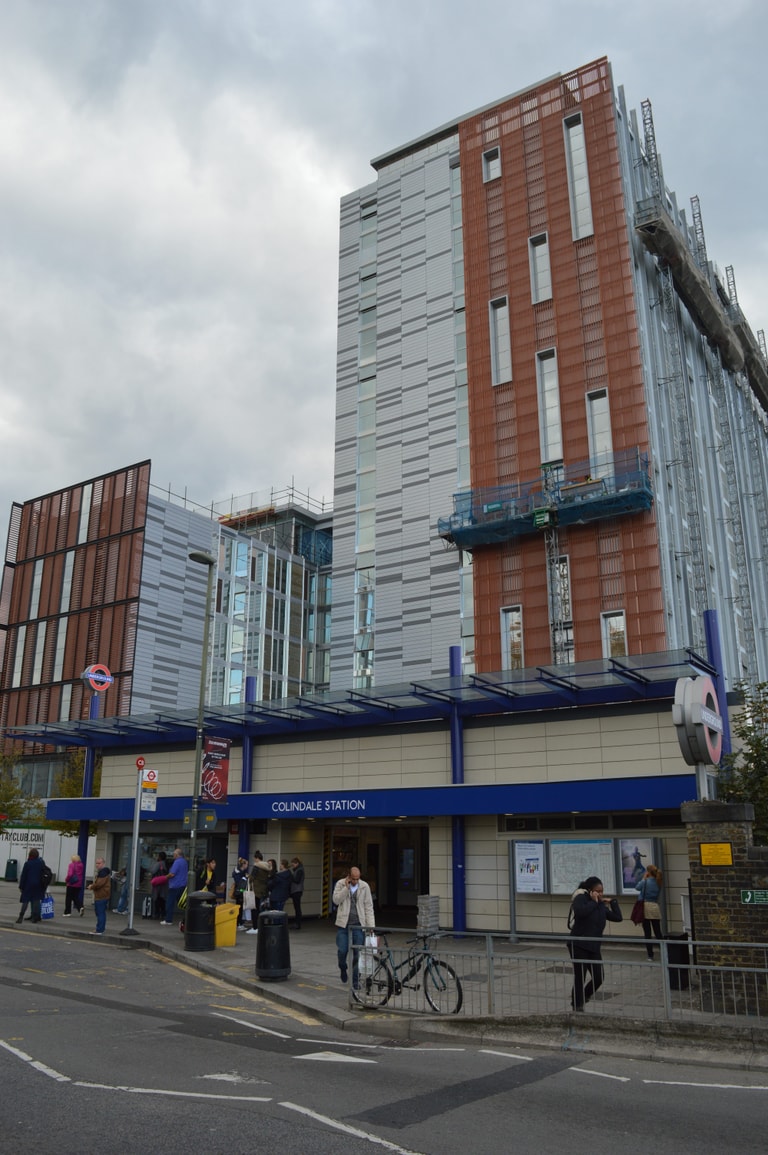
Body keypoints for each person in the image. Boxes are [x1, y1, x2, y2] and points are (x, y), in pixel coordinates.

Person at [568, 875, 622, 1011]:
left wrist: (613, 902)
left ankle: (583, 996)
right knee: (580, 976)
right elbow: (580, 912)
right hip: (578, 943)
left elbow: (617, 918)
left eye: (602, 891)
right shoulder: (581, 898)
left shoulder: (600, 905)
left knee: (598, 977)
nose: (600, 894)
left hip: (593, 946)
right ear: (590, 890)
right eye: (597, 891)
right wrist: (593, 901)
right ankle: (577, 1005)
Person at [333, 866, 375, 990]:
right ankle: (342, 967)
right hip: (343, 925)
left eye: (358, 879)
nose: (356, 881)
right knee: (342, 951)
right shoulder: (341, 884)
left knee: (357, 954)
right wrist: (346, 888)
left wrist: (370, 926)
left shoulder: (364, 886)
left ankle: (355, 981)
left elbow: (368, 907)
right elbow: (335, 900)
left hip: (358, 925)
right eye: (353, 879)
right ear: (349, 876)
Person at [636, 864, 664, 960]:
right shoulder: (658, 881)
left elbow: (637, 887)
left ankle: (650, 955)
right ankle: (664, 952)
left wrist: (644, 878)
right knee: (658, 932)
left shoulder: (646, 882)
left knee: (647, 932)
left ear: (648, 872)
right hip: (654, 906)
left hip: (645, 907)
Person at [16, 848, 47, 924]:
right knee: (36, 901)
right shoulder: (41, 863)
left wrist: (21, 886)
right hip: (38, 885)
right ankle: (35, 917)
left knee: (25, 901)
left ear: (30, 855)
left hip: (28, 885)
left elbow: (24, 876)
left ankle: (21, 916)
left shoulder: (28, 863)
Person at [162, 848, 188, 926]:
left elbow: (172, 874)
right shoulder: (184, 862)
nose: (173, 855)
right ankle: (188, 918)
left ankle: (168, 920)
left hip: (174, 885)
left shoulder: (177, 862)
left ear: (177, 855)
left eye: (174, 854)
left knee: (169, 903)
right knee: (183, 904)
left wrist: (165, 877)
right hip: (182, 885)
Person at [246, 851, 270, 934]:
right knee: (261, 909)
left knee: (254, 909)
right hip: (263, 890)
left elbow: (252, 878)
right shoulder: (267, 867)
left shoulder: (256, 866)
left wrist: (248, 876)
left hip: (256, 890)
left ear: (256, 858)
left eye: (254, 858)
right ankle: (261, 926)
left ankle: (255, 927)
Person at [87, 856, 112, 935]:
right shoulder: (103, 872)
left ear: (103, 863)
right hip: (102, 895)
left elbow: (99, 884)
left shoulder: (103, 873)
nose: (97, 865)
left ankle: (100, 930)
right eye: (96, 863)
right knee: (100, 913)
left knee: (100, 913)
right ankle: (100, 928)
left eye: (99, 863)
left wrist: (92, 886)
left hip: (102, 895)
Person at [150, 852, 169, 921]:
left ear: (159, 857)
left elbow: (153, 871)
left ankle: (157, 914)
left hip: (158, 884)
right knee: (162, 899)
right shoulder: (167, 864)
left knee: (157, 899)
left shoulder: (159, 864)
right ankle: (163, 913)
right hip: (164, 883)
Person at [231, 857, 249, 928]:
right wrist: (245, 879)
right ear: (243, 865)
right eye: (246, 864)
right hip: (240, 891)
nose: (247, 866)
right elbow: (239, 883)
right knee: (240, 907)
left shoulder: (239, 872)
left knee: (240, 907)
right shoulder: (240, 873)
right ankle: (239, 923)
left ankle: (240, 922)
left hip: (240, 891)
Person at [289, 856, 305, 929]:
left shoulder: (299, 870)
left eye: (293, 865)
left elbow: (297, 880)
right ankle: (297, 923)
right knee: (297, 907)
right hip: (297, 890)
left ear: (297, 863)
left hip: (297, 890)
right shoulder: (299, 870)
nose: (293, 866)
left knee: (297, 907)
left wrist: (291, 876)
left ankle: (298, 923)